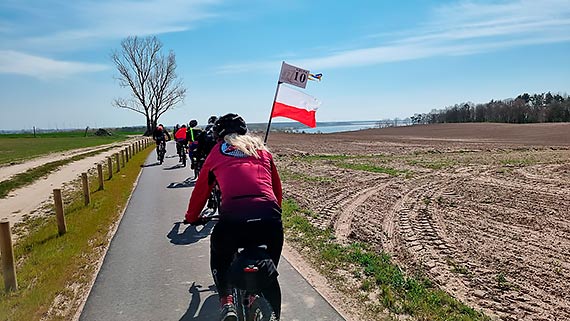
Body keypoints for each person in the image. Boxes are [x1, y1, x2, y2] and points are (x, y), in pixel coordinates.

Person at [184, 113, 283, 321]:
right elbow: (276, 189)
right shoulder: (262, 151)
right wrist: (274, 214)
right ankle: (261, 300)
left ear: (219, 136)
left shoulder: (216, 153)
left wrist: (192, 217)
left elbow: (201, 191)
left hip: (232, 221)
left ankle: (227, 301)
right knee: (269, 272)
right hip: (270, 220)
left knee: (220, 257)